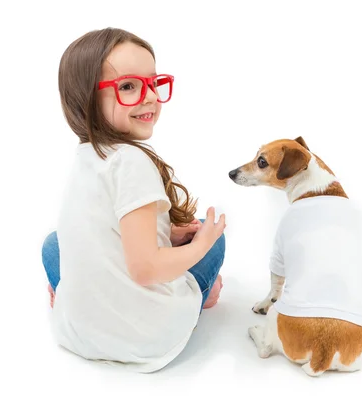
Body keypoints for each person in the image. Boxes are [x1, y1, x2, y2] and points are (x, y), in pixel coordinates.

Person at [40, 27, 226, 373]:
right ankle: (201, 297)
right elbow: (145, 270)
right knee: (213, 237)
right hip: (148, 340)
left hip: (78, 334)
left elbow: (99, 226)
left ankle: (72, 299)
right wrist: (202, 244)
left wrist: (167, 236)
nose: (150, 96)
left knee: (53, 245)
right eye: (128, 86)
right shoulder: (133, 163)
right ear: (86, 98)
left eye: (153, 83)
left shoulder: (87, 156)